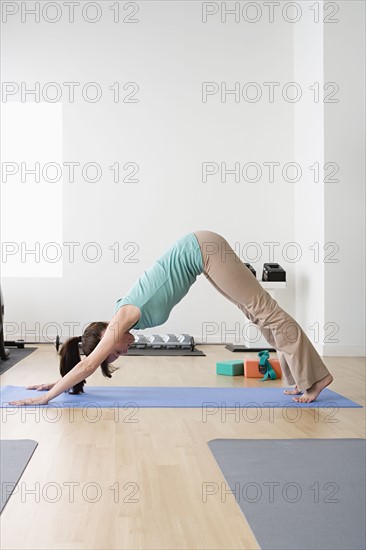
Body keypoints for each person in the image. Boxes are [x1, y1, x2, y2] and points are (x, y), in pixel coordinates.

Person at [9, 230, 333, 407]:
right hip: (201, 256)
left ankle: (316, 378)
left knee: (265, 309)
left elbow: (88, 365)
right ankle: (301, 379)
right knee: (253, 312)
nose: (126, 349)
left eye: (119, 350)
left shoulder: (123, 318)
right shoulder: (123, 319)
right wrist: (57, 381)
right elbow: (87, 363)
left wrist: (47, 397)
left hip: (203, 248)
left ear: (109, 334)